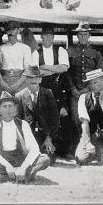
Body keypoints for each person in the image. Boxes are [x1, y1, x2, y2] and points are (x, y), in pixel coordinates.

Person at [0, 91, 50, 183]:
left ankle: (5, 176)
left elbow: (34, 149)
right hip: (1, 160)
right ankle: (24, 176)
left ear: (15, 108)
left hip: (20, 159)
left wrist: (23, 167)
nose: (8, 109)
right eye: (4, 106)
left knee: (45, 159)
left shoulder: (23, 124)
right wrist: (7, 165)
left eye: (10, 106)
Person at [32, 26, 73, 156]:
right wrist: (53, 69)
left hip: (59, 90)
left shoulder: (61, 50)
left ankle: (62, 151)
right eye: (45, 36)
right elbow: (36, 72)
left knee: (62, 117)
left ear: (53, 37)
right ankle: (45, 149)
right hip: (43, 90)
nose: (48, 38)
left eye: (50, 36)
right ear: (41, 37)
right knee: (45, 118)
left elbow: (64, 68)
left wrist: (46, 68)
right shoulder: (35, 53)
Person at [75, 69, 103, 167]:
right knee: (81, 158)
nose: (93, 85)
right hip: (91, 136)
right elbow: (84, 122)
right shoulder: (83, 98)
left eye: (95, 82)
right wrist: (87, 143)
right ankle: (97, 152)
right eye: (90, 83)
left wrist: (102, 102)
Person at [15, 66, 60, 161]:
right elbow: (17, 121)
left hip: (44, 136)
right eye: (30, 79)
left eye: (36, 80)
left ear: (40, 79)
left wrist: (49, 138)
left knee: (48, 159)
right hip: (28, 137)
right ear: (26, 80)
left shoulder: (48, 93)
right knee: (27, 159)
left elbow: (55, 119)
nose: (33, 83)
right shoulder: (19, 96)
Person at [67, 22, 103, 138]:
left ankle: (90, 145)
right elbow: (66, 73)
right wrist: (73, 89)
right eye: (81, 34)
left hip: (90, 92)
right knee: (75, 119)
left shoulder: (96, 53)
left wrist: (89, 89)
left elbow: (98, 75)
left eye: (85, 34)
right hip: (75, 93)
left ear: (89, 35)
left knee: (90, 118)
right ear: (77, 36)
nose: (83, 37)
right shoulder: (70, 52)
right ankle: (79, 148)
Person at [0, 21, 32, 95]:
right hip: (4, 81)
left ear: (18, 31)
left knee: (20, 104)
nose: (10, 32)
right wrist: (2, 83)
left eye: (13, 30)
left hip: (20, 81)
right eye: (8, 30)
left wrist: (17, 84)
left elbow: (27, 69)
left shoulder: (25, 48)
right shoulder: (1, 48)